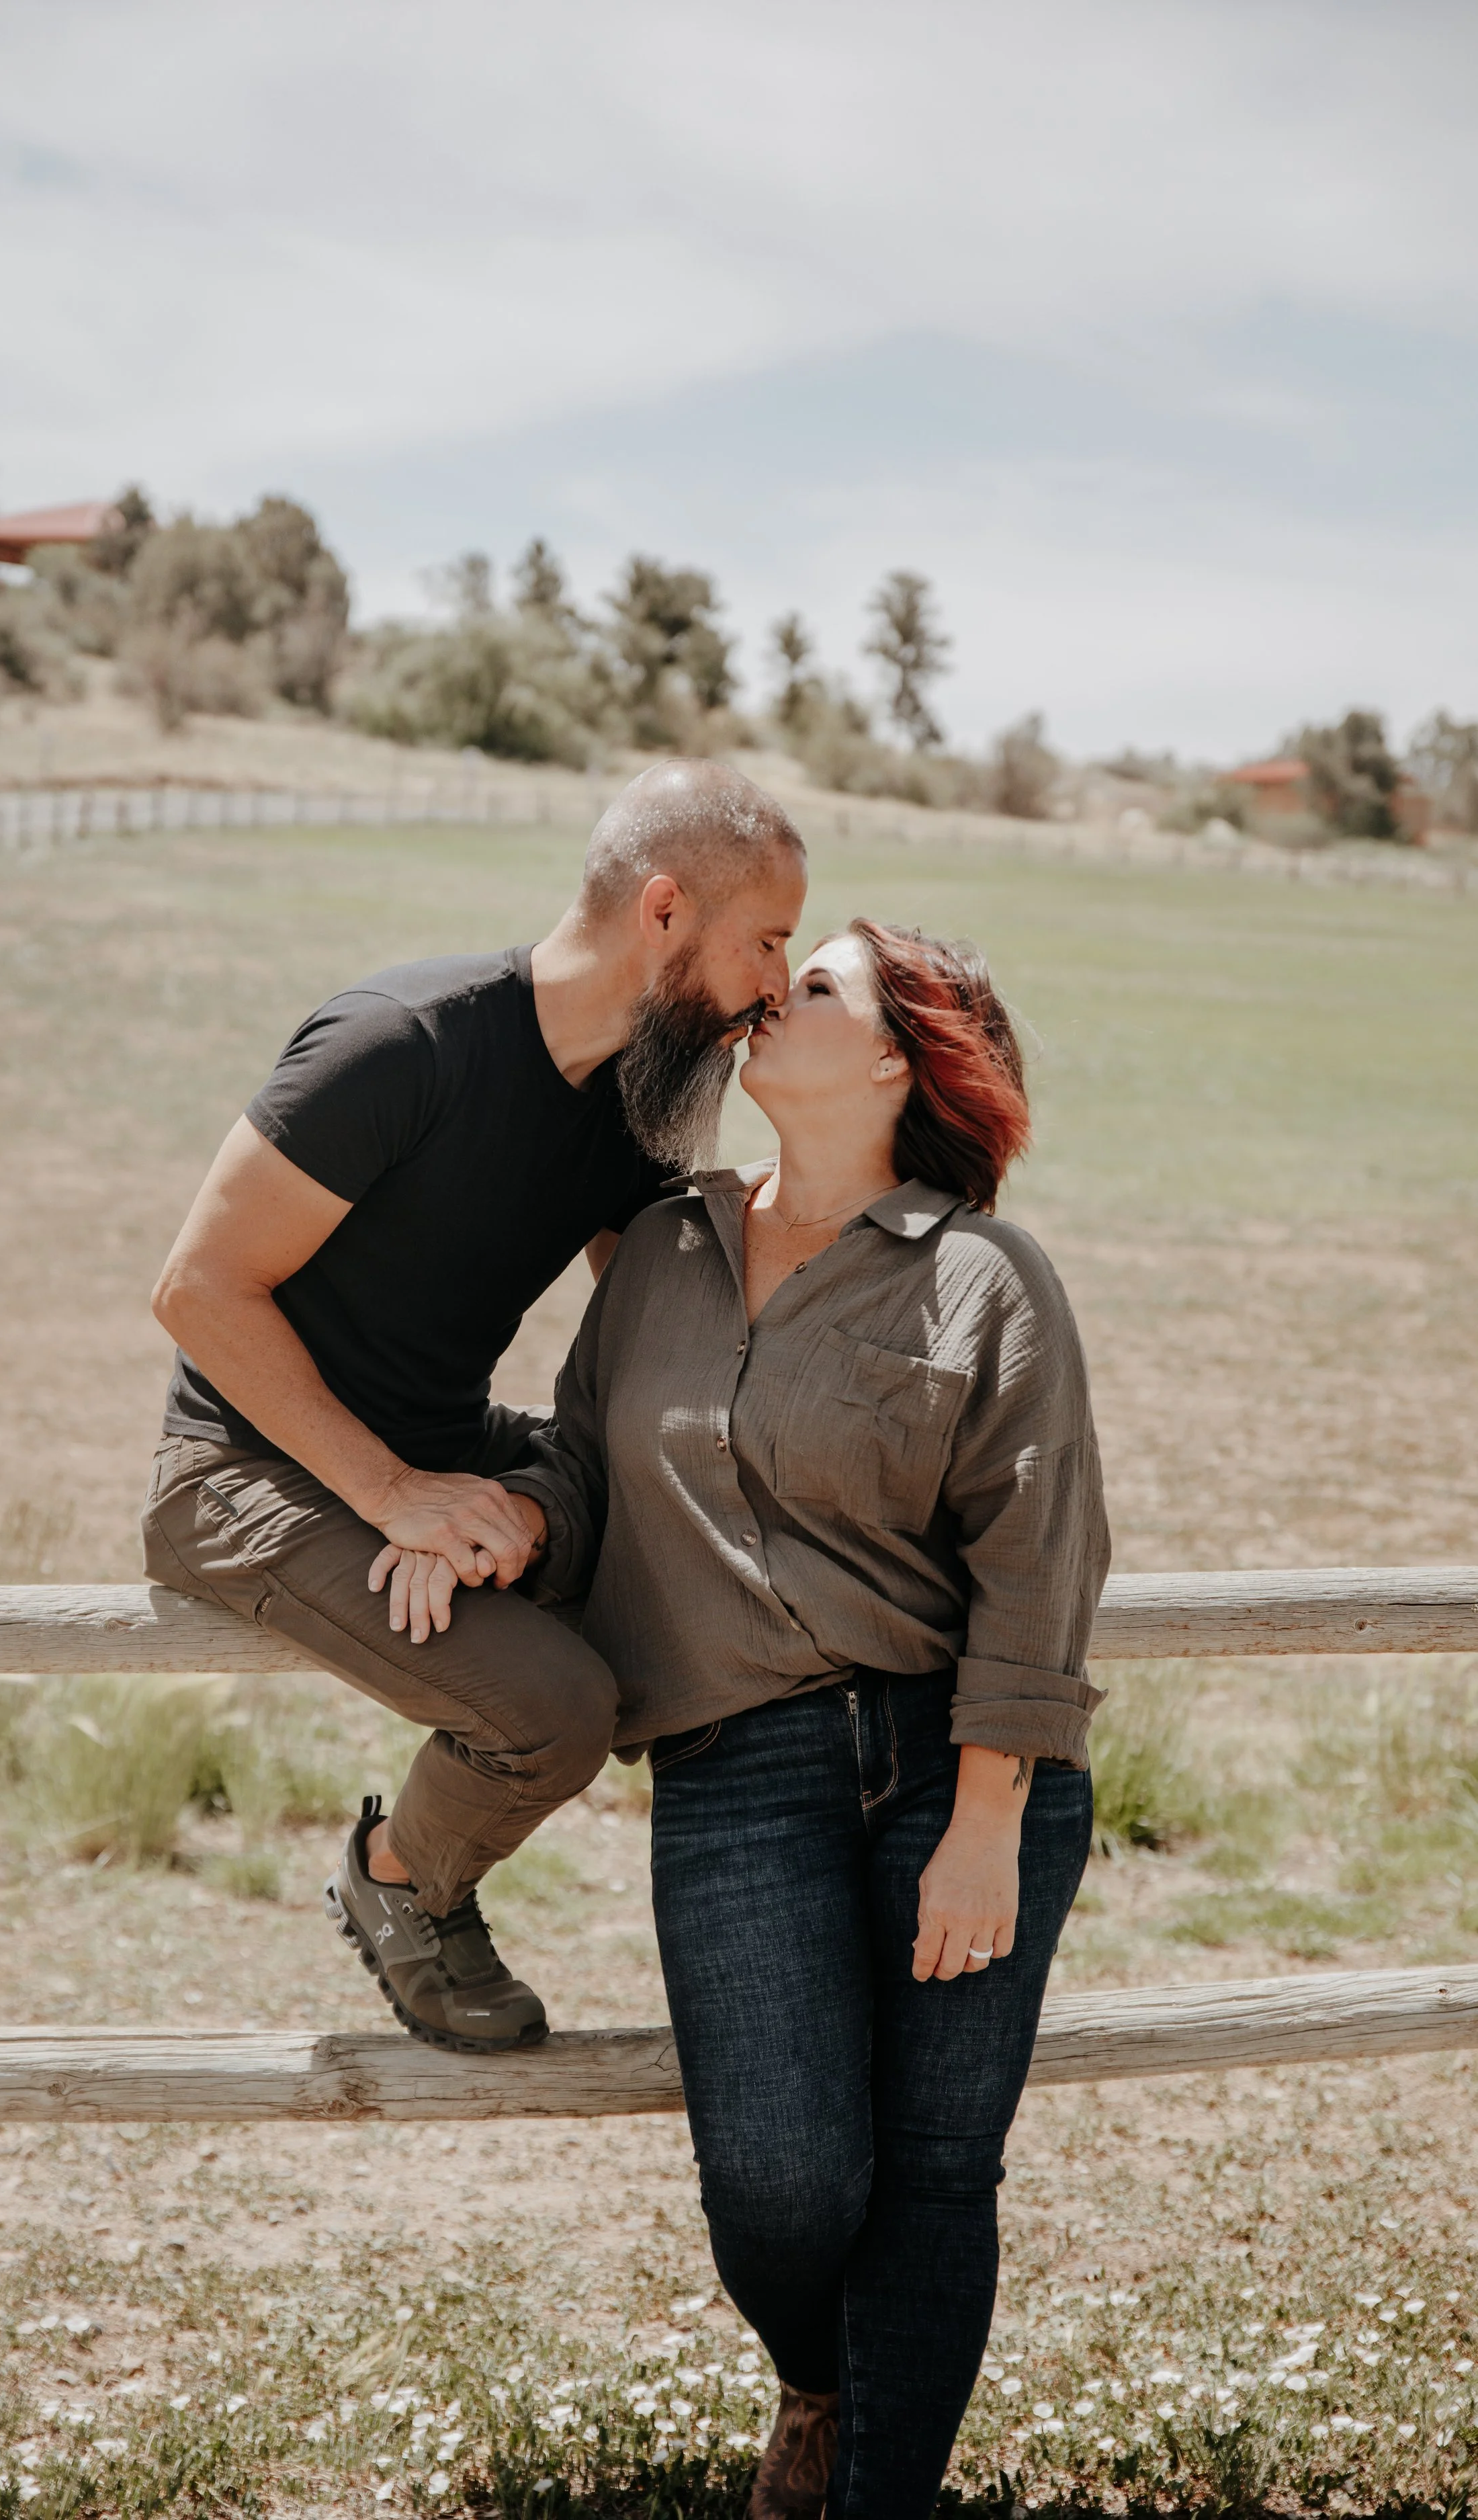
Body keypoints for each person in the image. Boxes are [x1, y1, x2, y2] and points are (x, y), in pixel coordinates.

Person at [470, 918, 1110, 2518]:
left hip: (958, 1773)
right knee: (777, 2180)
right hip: (736, 1765)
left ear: (898, 1059)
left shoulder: (982, 1279)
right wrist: (486, 1516)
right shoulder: (663, 1247)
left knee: (936, 2176)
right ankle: (820, 2384)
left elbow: (1036, 1562)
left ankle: (873, 2487)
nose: (770, 997)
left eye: (811, 986)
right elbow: (583, 1458)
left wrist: (979, 1827)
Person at [142, 759, 808, 2053]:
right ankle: (399, 1879)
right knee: (558, 1706)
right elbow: (197, 1291)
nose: (777, 983)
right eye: (768, 942)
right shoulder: (403, 1043)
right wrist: (396, 1495)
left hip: (439, 1440)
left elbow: (664, 1317)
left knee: (657, 1523)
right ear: (663, 911)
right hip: (240, 1467)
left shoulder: (636, 1102)